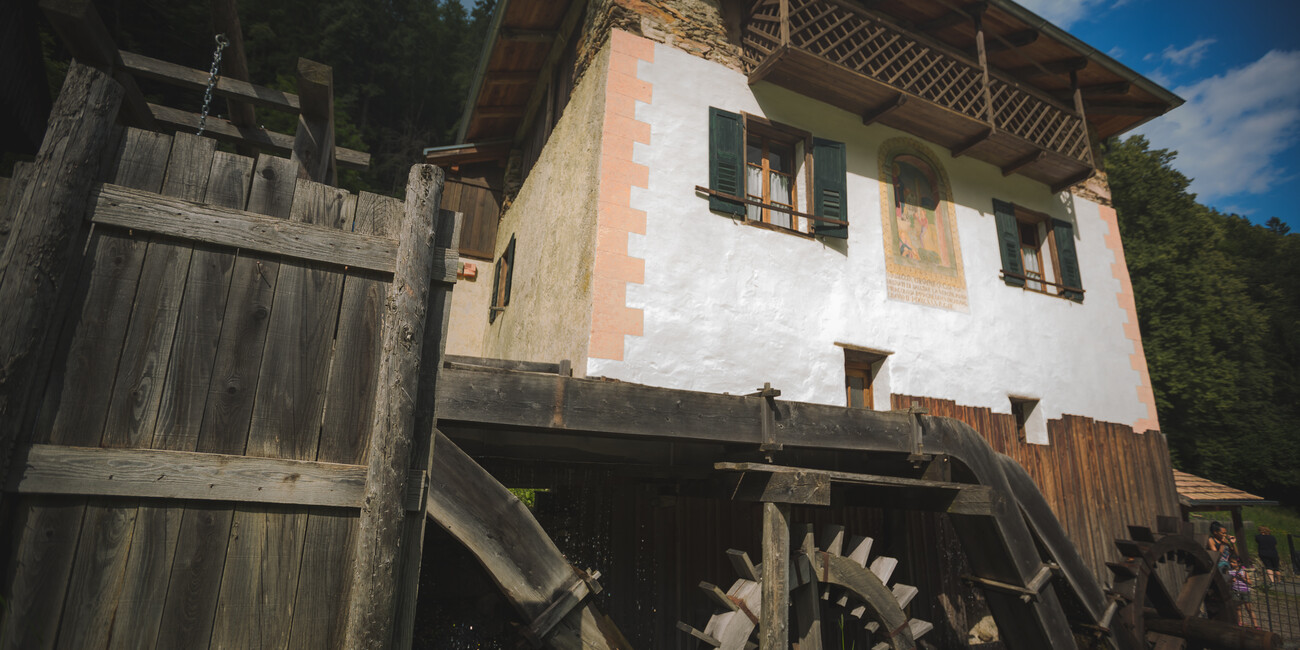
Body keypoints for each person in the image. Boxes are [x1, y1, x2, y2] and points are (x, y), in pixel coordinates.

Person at [1226, 555, 1259, 627]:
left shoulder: (1243, 572)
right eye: (1231, 562)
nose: (1232, 564)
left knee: (1249, 608)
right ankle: (1239, 622)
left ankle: (1255, 624)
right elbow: (1227, 582)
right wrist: (1231, 580)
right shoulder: (1229, 572)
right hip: (1235, 590)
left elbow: (1250, 582)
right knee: (1238, 608)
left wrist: (1242, 578)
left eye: (1234, 562)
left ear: (1238, 563)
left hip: (1244, 590)